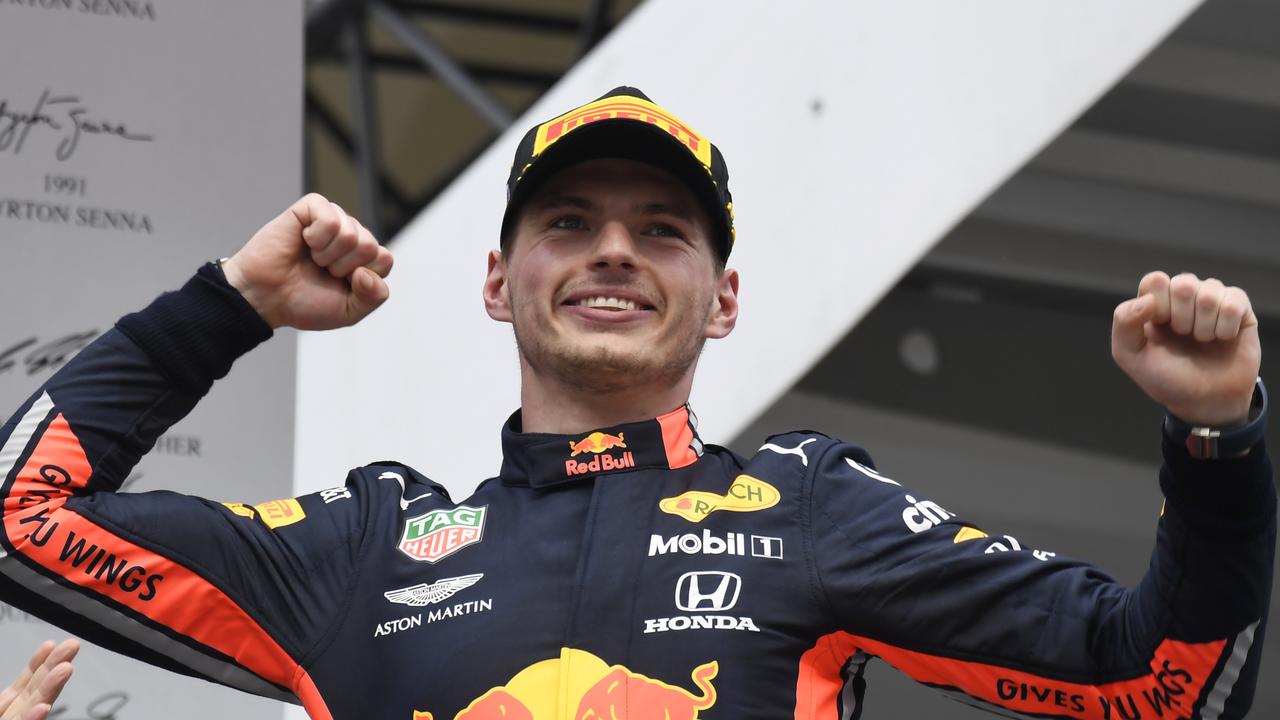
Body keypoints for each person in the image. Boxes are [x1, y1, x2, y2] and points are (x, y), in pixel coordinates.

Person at [0, 87, 1273, 720]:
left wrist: (1215, 443)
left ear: (719, 301)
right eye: (568, 223)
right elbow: (24, 514)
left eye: (662, 231)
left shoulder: (809, 509)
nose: (612, 251)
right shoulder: (360, 549)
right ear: (500, 283)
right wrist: (225, 305)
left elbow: (1167, 681)